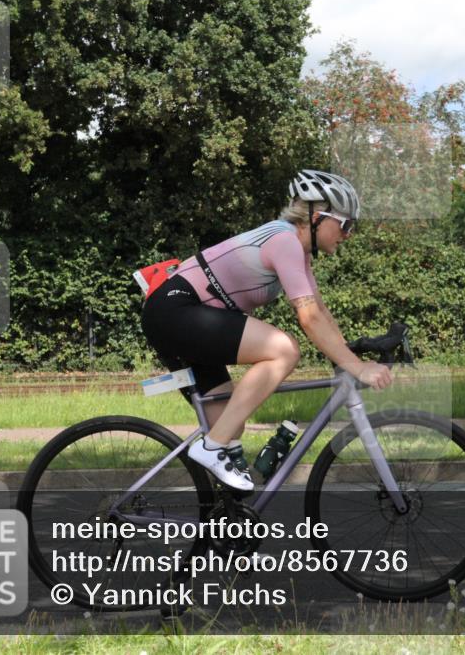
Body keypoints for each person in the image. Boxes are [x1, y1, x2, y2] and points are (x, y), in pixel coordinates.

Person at [140, 170, 393, 492]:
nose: (349, 234)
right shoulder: (283, 240)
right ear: (316, 217)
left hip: (186, 317)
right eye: (345, 224)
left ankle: (223, 526)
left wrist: (348, 352)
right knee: (283, 350)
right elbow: (309, 319)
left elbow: (321, 312)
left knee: (231, 425)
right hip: (177, 311)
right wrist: (356, 366)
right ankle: (211, 447)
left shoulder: (297, 252)